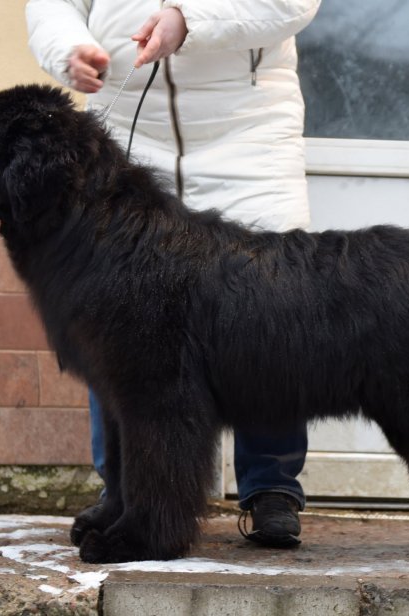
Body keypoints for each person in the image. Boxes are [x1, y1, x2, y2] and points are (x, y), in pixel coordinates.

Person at [26, 0, 320, 547]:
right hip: (132, 139)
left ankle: (271, 487)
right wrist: (69, 49)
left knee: (269, 317)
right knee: (115, 321)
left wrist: (191, 20)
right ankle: (124, 491)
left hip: (247, 141)